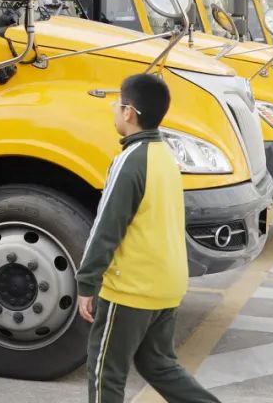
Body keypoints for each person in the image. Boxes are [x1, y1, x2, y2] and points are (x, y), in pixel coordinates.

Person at [77, 74, 220, 403]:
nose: (114, 110)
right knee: (158, 365)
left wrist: (87, 282)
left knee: (105, 373)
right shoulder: (165, 156)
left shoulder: (130, 161)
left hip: (131, 287)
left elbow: (106, 227)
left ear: (129, 112)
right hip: (167, 284)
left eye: (117, 104)